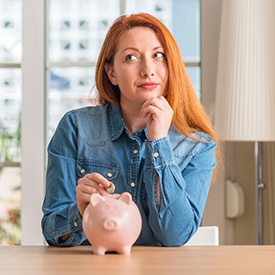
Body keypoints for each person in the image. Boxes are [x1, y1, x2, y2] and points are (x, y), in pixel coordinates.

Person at [41, 13, 219, 247]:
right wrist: (81, 212)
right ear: (111, 73)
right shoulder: (75, 128)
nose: (148, 70)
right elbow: (52, 231)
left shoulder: (197, 146)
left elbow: (175, 237)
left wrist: (159, 143)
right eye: (131, 57)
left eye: (158, 56)